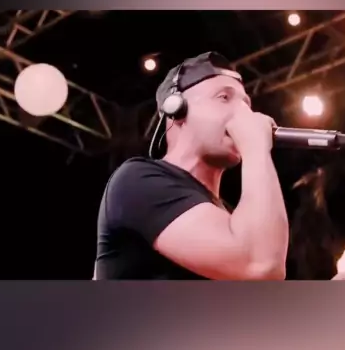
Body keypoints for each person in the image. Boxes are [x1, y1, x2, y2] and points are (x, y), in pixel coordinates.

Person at [95, 51, 289, 280]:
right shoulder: (138, 181)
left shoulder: (227, 218)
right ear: (175, 109)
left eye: (246, 104)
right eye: (224, 98)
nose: (244, 113)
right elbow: (261, 265)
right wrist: (255, 148)